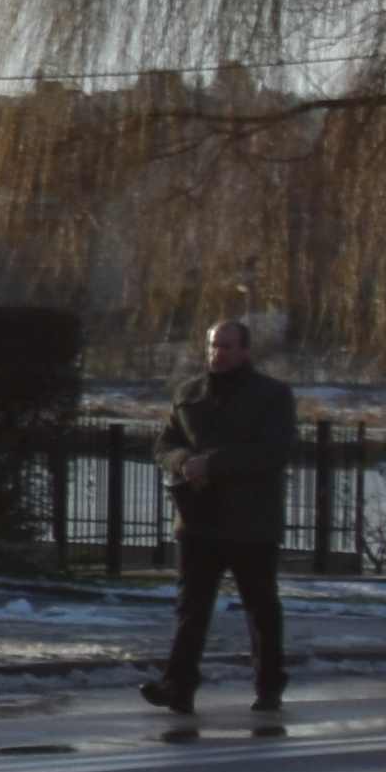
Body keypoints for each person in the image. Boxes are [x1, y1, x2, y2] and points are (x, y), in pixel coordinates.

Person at [141, 316, 298, 742]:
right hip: (198, 518)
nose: (218, 354)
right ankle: (178, 685)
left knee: (259, 606)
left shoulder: (271, 396)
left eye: (227, 346)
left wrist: (213, 463)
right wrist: (182, 463)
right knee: (191, 607)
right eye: (213, 345)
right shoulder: (189, 393)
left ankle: (268, 683)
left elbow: (272, 451)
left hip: (251, 521)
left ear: (245, 351)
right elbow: (165, 444)